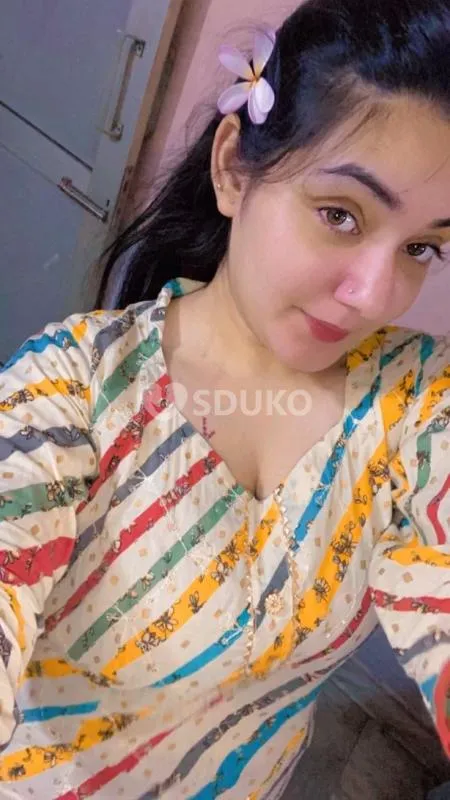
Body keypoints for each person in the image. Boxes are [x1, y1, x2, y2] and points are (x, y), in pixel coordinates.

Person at [0, 0, 449, 796]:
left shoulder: (413, 400)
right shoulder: (70, 394)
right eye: (340, 215)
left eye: (421, 247)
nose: (376, 295)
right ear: (234, 168)